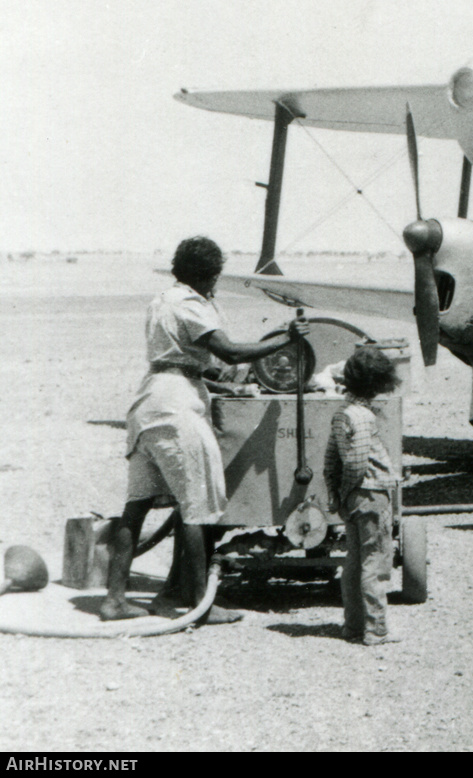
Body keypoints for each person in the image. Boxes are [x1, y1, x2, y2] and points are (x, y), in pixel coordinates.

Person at [100, 236, 311, 622]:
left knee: (137, 508)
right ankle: (201, 604)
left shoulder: (162, 300)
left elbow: (182, 359)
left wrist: (219, 383)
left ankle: (114, 598)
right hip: (176, 407)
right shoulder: (193, 304)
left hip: (149, 402)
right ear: (210, 275)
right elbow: (228, 351)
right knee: (198, 505)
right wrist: (286, 339)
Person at [324, 345, 401, 646]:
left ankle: (353, 626)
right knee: (376, 563)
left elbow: (331, 460)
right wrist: (347, 489)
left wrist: (337, 495)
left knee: (354, 562)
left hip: (353, 499)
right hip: (371, 494)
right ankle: (376, 629)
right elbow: (356, 463)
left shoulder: (342, 414)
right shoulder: (364, 418)